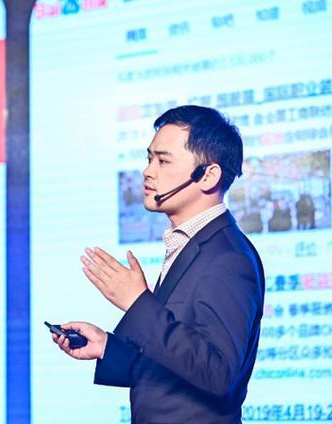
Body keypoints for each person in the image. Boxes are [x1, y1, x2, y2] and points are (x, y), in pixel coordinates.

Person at [52, 105, 265, 423]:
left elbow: (218, 373)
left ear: (208, 176)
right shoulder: (192, 244)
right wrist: (107, 347)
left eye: (163, 161)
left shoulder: (227, 258)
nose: (148, 172)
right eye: (149, 159)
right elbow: (179, 366)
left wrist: (138, 302)